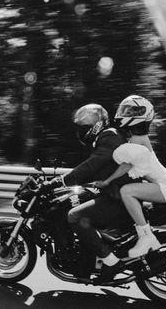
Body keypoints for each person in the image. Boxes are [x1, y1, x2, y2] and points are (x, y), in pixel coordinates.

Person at [40, 103, 140, 282]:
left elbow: (89, 166)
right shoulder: (109, 137)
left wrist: (57, 182)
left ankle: (111, 262)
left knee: (75, 216)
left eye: (85, 126)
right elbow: (96, 170)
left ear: (98, 124)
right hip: (117, 194)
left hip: (120, 198)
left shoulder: (109, 137)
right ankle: (91, 259)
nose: (82, 130)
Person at [94, 95, 166, 258]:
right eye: (126, 110)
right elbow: (126, 165)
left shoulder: (139, 139)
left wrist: (106, 181)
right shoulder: (135, 138)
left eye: (132, 111)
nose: (126, 113)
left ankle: (146, 237)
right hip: (164, 184)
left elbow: (126, 165)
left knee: (127, 191)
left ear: (143, 115)